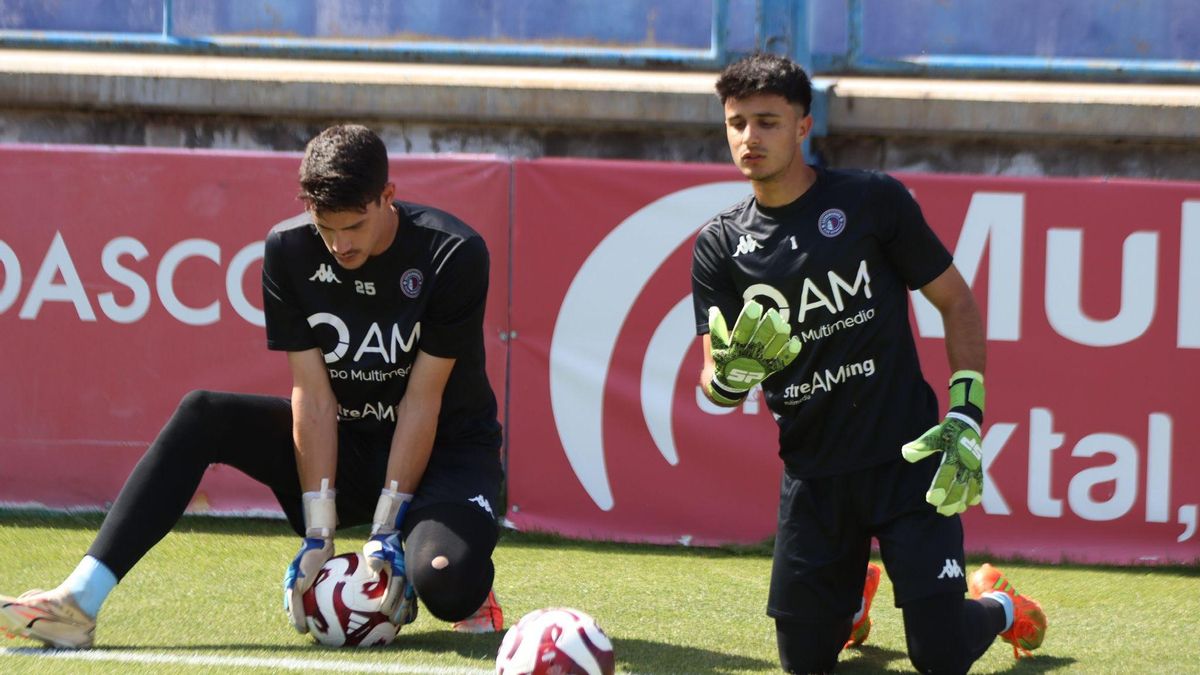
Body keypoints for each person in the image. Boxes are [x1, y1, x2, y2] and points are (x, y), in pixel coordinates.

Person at [0, 124, 505, 648]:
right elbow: (312, 395)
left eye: (354, 226)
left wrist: (384, 530)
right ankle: (79, 601)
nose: (339, 244)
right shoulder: (289, 250)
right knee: (204, 414)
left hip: (446, 455)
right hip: (348, 445)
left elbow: (422, 399)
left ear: (387, 197)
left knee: (445, 579)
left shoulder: (454, 253)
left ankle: (458, 578)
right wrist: (319, 532)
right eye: (325, 227)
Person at [691, 53, 1047, 674]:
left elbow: (956, 302)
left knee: (937, 657)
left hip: (907, 461)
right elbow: (711, 381)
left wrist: (967, 413)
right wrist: (727, 379)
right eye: (738, 123)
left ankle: (996, 604)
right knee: (804, 665)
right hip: (814, 473)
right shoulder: (719, 246)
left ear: (804, 127)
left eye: (768, 122)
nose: (750, 138)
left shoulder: (870, 201)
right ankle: (850, 600)